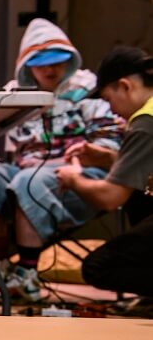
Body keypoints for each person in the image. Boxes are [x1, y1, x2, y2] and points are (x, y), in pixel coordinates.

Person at [0, 18, 122, 302]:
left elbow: (107, 148)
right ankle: (0, 270)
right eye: (41, 64)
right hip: (27, 171)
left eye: (57, 62)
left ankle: (27, 274)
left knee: (30, 180)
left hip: (81, 175)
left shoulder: (89, 91)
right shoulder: (17, 95)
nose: (50, 70)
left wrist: (71, 161)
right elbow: (12, 149)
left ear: (69, 60)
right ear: (27, 65)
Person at [56, 46, 153, 304]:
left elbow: (110, 198)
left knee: (98, 267)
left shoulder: (145, 123)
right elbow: (145, 166)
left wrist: (73, 178)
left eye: (108, 99)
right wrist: (109, 158)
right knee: (140, 192)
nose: (111, 110)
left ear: (125, 86)